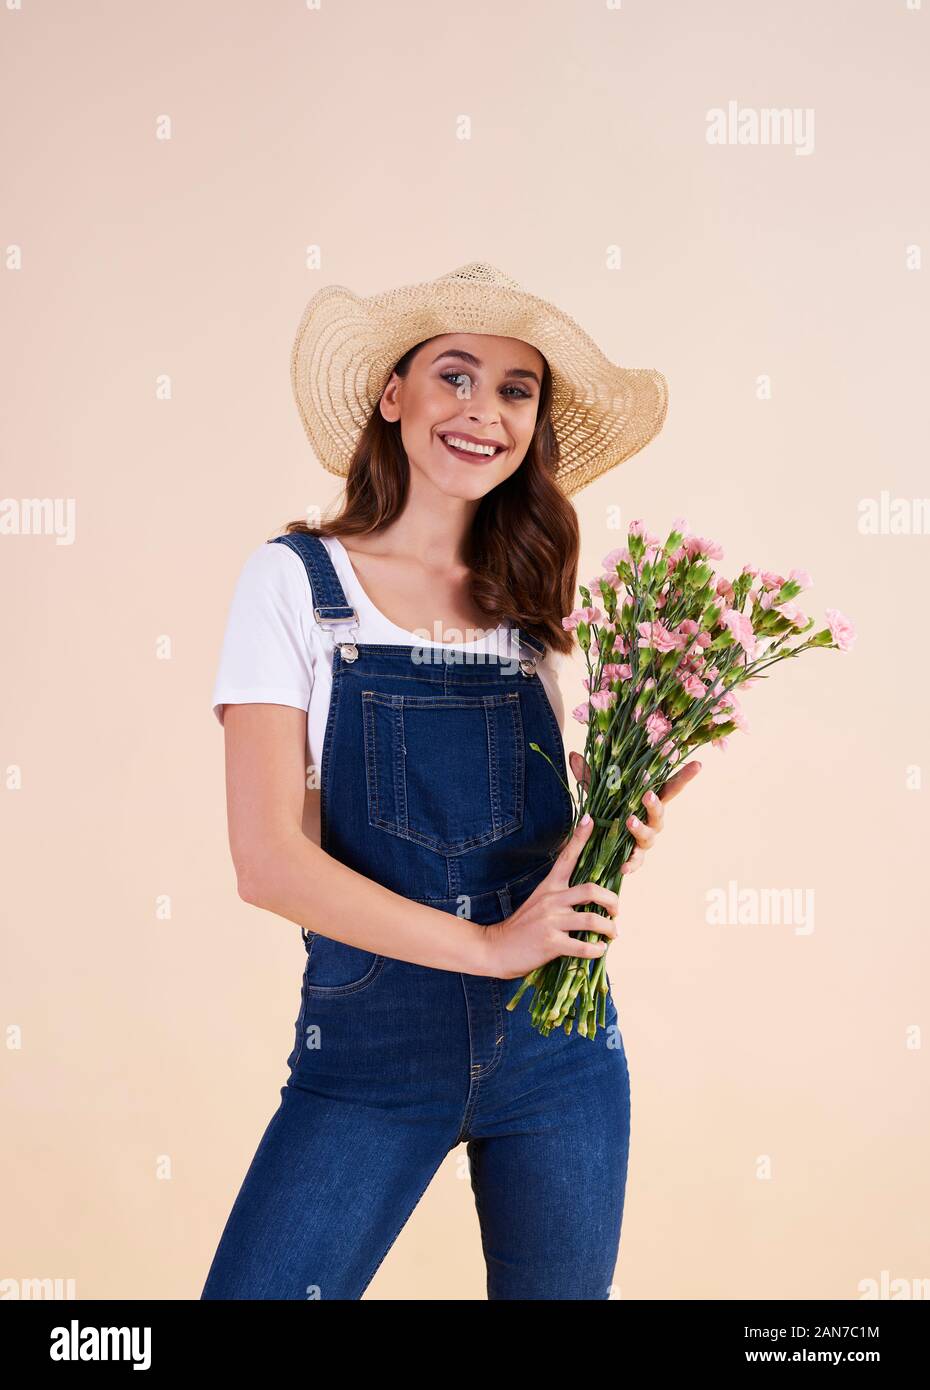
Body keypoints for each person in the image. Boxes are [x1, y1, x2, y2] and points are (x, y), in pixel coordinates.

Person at [200, 261, 691, 1300]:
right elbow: (268, 859)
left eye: (515, 390)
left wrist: (607, 835)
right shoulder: (293, 583)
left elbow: (522, 857)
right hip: (371, 1050)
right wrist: (487, 944)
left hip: (560, 1047)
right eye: (454, 377)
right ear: (394, 395)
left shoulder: (528, 607)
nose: (483, 411)